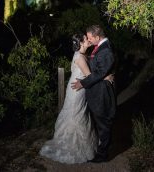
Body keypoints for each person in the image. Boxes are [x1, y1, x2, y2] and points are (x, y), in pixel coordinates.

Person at [39, 33, 113, 164]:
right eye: (86, 39)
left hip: (81, 89)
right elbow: (90, 76)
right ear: (81, 43)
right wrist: (106, 77)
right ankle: (72, 146)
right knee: (75, 115)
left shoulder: (84, 55)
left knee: (81, 114)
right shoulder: (79, 57)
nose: (88, 40)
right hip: (76, 91)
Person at [71, 25, 116, 163]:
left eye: (90, 38)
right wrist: (104, 75)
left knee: (103, 124)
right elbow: (100, 70)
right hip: (96, 89)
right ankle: (100, 148)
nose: (89, 40)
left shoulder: (106, 50)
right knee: (99, 121)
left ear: (97, 37)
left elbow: (99, 72)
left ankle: (102, 155)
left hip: (101, 92)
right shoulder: (100, 47)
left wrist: (83, 83)